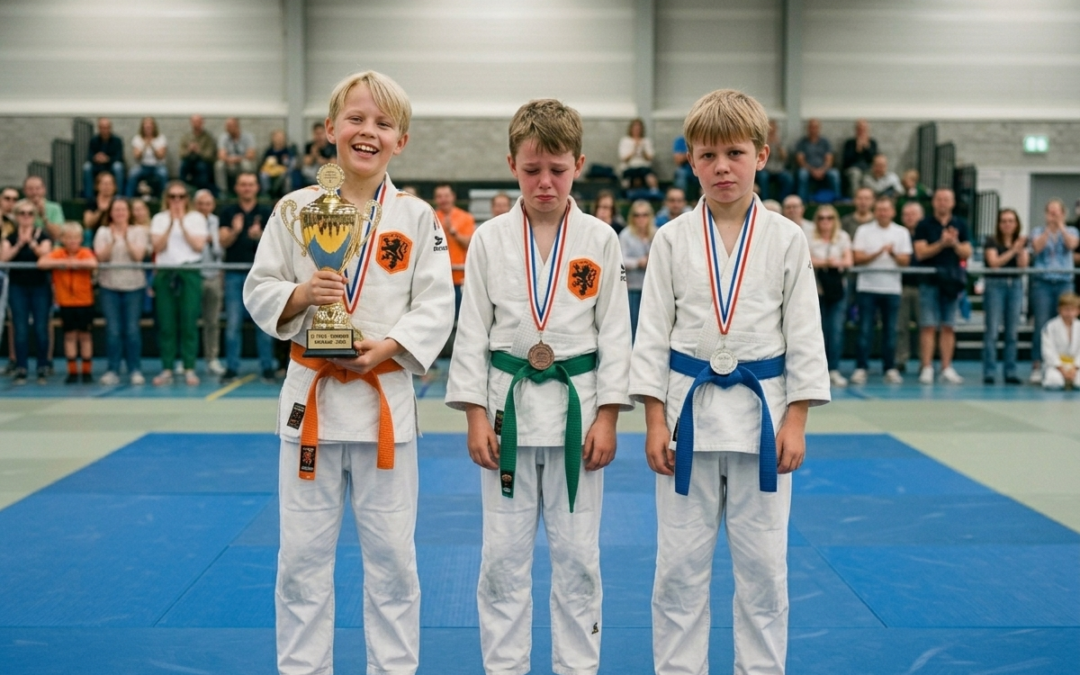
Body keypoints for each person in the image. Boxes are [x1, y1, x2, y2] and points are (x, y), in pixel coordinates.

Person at [244, 70, 454, 675]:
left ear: (401, 141)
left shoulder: (417, 219)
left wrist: (389, 345)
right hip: (310, 401)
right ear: (329, 130)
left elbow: (437, 303)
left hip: (384, 403)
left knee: (393, 562)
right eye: (356, 119)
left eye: (383, 124)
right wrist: (304, 292)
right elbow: (259, 289)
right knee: (301, 561)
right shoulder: (295, 209)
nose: (369, 132)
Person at [629, 89, 829, 675]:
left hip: (763, 421)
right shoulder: (670, 239)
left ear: (762, 155)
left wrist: (797, 419)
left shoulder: (788, 238)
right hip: (685, 424)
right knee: (678, 571)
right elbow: (651, 336)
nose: (722, 167)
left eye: (735, 153)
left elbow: (805, 334)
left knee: (765, 570)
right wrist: (654, 419)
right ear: (689, 160)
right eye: (708, 154)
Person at [446, 98, 631, 675]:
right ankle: (505, 667)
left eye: (557, 169)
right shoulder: (488, 239)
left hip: (579, 417)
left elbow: (615, 333)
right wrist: (475, 414)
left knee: (578, 559)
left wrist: (608, 416)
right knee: (502, 558)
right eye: (532, 171)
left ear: (579, 163)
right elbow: (472, 329)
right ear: (511, 165)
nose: (545, 182)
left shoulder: (600, 238)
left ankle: (578, 668)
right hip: (508, 416)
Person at [219, 172, 276, 381]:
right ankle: (232, 367)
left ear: (257, 188)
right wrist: (236, 231)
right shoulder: (228, 212)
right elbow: (223, 241)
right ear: (236, 188)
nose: (247, 188)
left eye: (250, 184)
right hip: (234, 273)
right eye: (243, 184)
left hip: (260, 275)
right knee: (233, 324)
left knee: (264, 324)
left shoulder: (266, 212)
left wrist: (259, 236)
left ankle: (267, 367)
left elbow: (276, 244)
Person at [150, 182, 207, 386]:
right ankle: (167, 367)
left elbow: (198, 246)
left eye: (181, 196)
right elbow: (157, 246)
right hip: (166, 271)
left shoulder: (196, 218)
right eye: (172, 196)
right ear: (166, 198)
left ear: (187, 198)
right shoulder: (159, 219)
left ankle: (189, 367)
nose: (176, 200)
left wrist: (181, 223)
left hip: (189, 271)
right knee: (166, 322)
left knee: (189, 321)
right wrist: (170, 224)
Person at [850, 196, 911, 384]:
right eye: (880, 209)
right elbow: (857, 257)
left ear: (893, 212)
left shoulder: (901, 232)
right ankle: (861, 368)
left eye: (887, 209)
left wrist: (891, 253)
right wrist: (878, 252)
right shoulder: (864, 230)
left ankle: (889, 368)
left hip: (891, 289)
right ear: (875, 211)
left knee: (890, 331)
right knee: (865, 330)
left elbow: (905, 261)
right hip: (867, 287)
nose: (883, 213)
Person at [914, 188, 971, 384]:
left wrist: (953, 243)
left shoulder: (960, 224)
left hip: (952, 282)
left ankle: (946, 367)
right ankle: (927, 366)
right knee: (928, 325)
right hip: (929, 281)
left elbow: (966, 252)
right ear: (934, 202)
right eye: (939, 199)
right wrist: (941, 243)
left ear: (953, 202)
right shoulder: (924, 224)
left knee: (948, 325)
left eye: (947, 199)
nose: (943, 203)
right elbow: (921, 252)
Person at [93, 199, 149, 385]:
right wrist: (112, 239)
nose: (120, 213)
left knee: (132, 330)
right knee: (113, 330)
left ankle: (135, 369)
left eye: (123, 209)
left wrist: (125, 238)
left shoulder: (138, 231)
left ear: (129, 212)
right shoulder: (102, 232)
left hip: (134, 286)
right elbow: (101, 257)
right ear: (110, 213)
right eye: (116, 209)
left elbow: (138, 256)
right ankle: (113, 369)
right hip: (109, 286)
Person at [38, 223, 98, 384]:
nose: (72, 241)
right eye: (69, 238)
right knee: (69, 336)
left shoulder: (84, 252)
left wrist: (74, 263)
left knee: (85, 336)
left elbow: (93, 263)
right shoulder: (58, 254)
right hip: (66, 302)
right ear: (63, 239)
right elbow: (42, 263)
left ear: (80, 239)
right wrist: (60, 263)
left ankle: (86, 371)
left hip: (85, 301)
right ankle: (72, 371)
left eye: (75, 238)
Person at [1, 199, 53, 384]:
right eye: (22, 213)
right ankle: (21, 367)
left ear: (35, 217)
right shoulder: (10, 238)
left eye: (30, 213)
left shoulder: (43, 236)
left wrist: (30, 243)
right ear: (16, 216)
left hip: (40, 287)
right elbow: (4, 258)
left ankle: (42, 366)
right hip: (18, 287)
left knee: (40, 327)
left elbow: (45, 257)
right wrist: (19, 244)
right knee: (20, 328)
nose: (26, 217)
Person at [982, 208, 1029, 385]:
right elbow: (994, 263)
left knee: (1012, 332)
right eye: (1004, 221)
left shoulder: (1020, 242)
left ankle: (1010, 371)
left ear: (1016, 224)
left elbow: (1023, 266)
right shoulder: (991, 241)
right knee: (992, 331)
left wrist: (1020, 249)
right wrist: (1012, 250)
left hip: (1015, 285)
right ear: (999, 224)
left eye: (1011, 221)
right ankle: (989, 371)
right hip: (996, 285)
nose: (1007, 224)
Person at [808, 203, 852, 387]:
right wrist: (826, 261)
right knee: (816, 331)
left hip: (837, 289)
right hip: (816, 289)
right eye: (821, 218)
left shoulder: (842, 237)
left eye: (829, 218)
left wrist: (834, 262)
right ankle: (816, 371)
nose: (825, 221)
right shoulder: (809, 236)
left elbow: (849, 261)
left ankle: (833, 369)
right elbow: (807, 258)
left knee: (835, 330)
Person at [433, 183, 476, 319]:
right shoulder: (430, 216)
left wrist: (453, 232)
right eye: (439, 196)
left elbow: (469, 243)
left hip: (459, 277)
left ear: (453, 197)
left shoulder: (465, 217)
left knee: (459, 318)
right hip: (436, 278)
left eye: (446, 196)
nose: (443, 200)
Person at [194, 189, 225, 376]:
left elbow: (221, 251)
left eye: (207, 204)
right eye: (200, 204)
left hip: (213, 276)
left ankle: (212, 358)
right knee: (188, 320)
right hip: (194, 274)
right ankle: (186, 361)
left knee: (212, 321)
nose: (204, 208)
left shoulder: (217, 222)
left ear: (212, 205)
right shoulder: (189, 222)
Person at [894, 201, 923, 372]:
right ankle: (900, 359)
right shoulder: (898, 233)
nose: (910, 217)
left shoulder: (926, 233)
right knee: (900, 327)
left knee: (924, 326)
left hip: (923, 286)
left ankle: (923, 361)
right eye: (906, 214)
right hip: (901, 285)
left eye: (913, 214)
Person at [620, 199, 655, 339]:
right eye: (637, 215)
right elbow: (620, 260)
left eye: (644, 214)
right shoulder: (625, 235)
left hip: (651, 289)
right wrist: (638, 262)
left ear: (650, 216)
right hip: (632, 288)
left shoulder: (657, 233)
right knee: (633, 327)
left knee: (650, 327)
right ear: (632, 217)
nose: (641, 218)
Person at [794, 118, 841, 203]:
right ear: (808, 129)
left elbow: (829, 160)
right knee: (802, 174)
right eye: (811, 127)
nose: (813, 129)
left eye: (815, 127)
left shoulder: (825, 142)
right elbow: (800, 161)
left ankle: (837, 201)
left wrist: (822, 170)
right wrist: (812, 170)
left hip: (824, 169)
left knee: (834, 174)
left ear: (819, 128)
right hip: (808, 169)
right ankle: (802, 202)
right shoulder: (802, 143)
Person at [1040, 292, 1080, 389]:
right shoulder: (1050, 327)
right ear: (1059, 309)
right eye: (1066, 310)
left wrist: (1074, 368)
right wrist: (1061, 369)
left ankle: (1071, 379)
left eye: (1072, 310)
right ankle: (1064, 379)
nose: (1069, 313)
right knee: (1054, 381)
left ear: (1078, 311)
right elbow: (1048, 351)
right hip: (1057, 366)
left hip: (1076, 367)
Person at [82, 117, 125, 200]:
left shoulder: (117, 140)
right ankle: (89, 197)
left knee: (118, 167)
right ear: (99, 128)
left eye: (106, 128)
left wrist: (107, 159)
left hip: (111, 165)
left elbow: (119, 157)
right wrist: (96, 158)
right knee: (87, 167)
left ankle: (119, 196)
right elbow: (89, 156)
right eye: (102, 128)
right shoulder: (93, 140)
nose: (104, 130)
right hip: (97, 166)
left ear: (110, 128)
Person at [126, 117, 169, 199]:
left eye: (150, 126)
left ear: (154, 127)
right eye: (146, 126)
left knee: (163, 174)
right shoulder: (137, 138)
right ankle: (129, 199)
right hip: (143, 166)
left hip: (157, 166)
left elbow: (161, 156)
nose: (148, 128)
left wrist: (152, 145)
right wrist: (144, 146)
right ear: (142, 127)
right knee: (132, 174)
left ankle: (163, 199)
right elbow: (137, 157)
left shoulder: (161, 138)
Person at [215, 117, 257, 196]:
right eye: (227, 126)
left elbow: (251, 155)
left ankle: (247, 189)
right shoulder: (223, 137)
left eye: (230, 126)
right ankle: (222, 191)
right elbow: (221, 155)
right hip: (229, 164)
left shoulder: (248, 137)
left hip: (242, 163)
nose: (227, 129)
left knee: (246, 164)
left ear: (237, 126)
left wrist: (237, 159)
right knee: (219, 165)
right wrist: (229, 159)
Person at [618, 117, 660, 193]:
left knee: (651, 177)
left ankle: (655, 193)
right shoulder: (625, 141)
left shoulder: (646, 141)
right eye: (635, 128)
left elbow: (650, 158)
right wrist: (634, 149)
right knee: (626, 181)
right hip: (630, 167)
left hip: (643, 167)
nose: (637, 130)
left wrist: (642, 149)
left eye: (639, 128)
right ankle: (625, 195)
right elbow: (624, 159)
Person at [179, 115, 217, 194]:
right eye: (194, 122)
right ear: (191, 123)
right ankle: (183, 189)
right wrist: (189, 150)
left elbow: (210, 155)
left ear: (202, 123)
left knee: (201, 167)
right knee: (183, 166)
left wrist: (199, 151)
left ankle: (201, 190)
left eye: (198, 122)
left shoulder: (208, 137)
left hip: (203, 161)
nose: (196, 124)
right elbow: (181, 154)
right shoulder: (186, 137)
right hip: (189, 160)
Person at [755, 119, 792, 201]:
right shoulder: (762, 140)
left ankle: (783, 201)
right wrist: (768, 144)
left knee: (788, 178)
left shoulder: (781, 140)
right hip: (766, 168)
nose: (772, 130)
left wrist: (778, 145)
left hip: (779, 169)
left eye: (774, 128)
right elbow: (763, 157)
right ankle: (765, 201)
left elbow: (784, 157)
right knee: (763, 177)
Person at [840, 119, 877, 197]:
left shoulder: (872, 143)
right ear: (856, 130)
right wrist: (857, 149)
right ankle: (855, 198)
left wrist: (867, 148)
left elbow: (874, 160)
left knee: (868, 178)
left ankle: (870, 198)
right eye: (860, 129)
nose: (862, 131)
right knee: (855, 174)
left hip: (868, 169)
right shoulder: (849, 143)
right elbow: (846, 161)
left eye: (864, 129)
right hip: (853, 169)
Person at [296, 121, 337, 188]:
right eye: (316, 134)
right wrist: (313, 154)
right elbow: (306, 163)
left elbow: (333, 163)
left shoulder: (332, 146)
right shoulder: (309, 145)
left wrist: (318, 158)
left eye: (321, 133)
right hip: (312, 174)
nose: (319, 136)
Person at [259, 130, 298, 198]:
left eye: (281, 137)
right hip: (271, 171)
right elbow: (264, 163)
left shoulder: (289, 150)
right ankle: (267, 193)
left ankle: (283, 194)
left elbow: (292, 164)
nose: (279, 139)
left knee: (285, 176)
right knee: (263, 174)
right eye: (277, 137)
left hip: (284, 171)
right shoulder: (269, 151)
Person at [23, 175, 64, 240]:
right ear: (24, 191)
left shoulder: (55, 208)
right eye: (30, 189)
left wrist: (43, 217)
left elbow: (58, 235)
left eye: (38, 188)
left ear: (44, 189)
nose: (34, 192)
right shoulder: (19, 207)